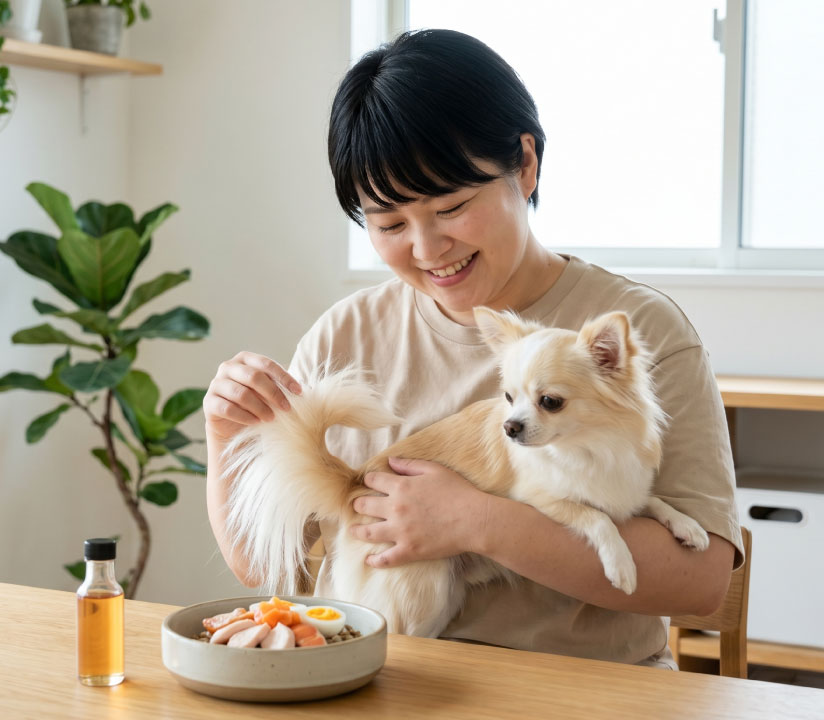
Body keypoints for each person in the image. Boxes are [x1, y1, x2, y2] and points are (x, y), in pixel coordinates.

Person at [203, 29, 743, 669]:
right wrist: (224, 438)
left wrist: (475, 522)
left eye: (452, 207)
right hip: (382, 683)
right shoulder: (343, 336)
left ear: (526, 165)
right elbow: (277, 565)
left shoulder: (635, 335)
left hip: (584, 693)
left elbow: (700, 582)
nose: (428, 249)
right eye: (390, 225)